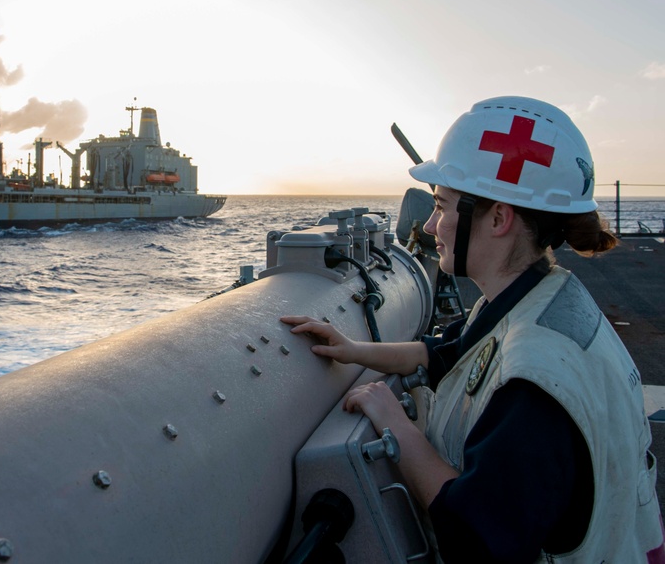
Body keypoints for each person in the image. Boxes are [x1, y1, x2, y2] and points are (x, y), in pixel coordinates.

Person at [282, 96, 664, 562]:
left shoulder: (533, 385)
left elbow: (474, 539)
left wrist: (397, 426)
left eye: (442, 206)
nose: (429, 224)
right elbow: (449, 353)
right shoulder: (539, 296)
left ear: (499, 218)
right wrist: (353, 349)